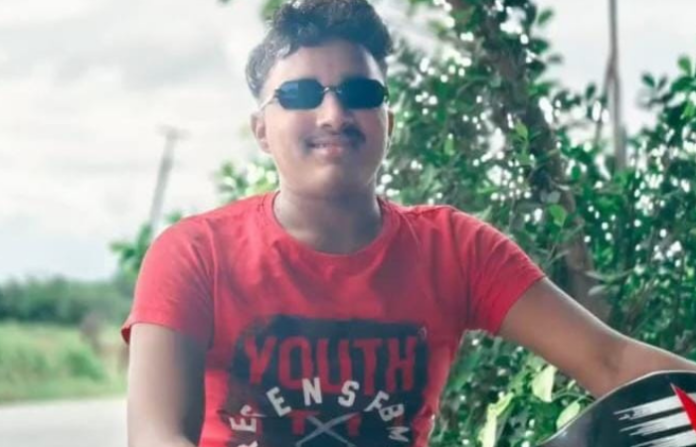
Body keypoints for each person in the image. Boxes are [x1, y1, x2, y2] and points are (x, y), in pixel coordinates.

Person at [121, 1, 696, 446]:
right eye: (299, 94)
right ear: (261, 130)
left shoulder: (456, 250)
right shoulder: (194, 253)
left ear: (387, 122)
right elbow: (155, 434)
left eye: (359, 92)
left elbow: (610, 362)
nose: (333, 113)